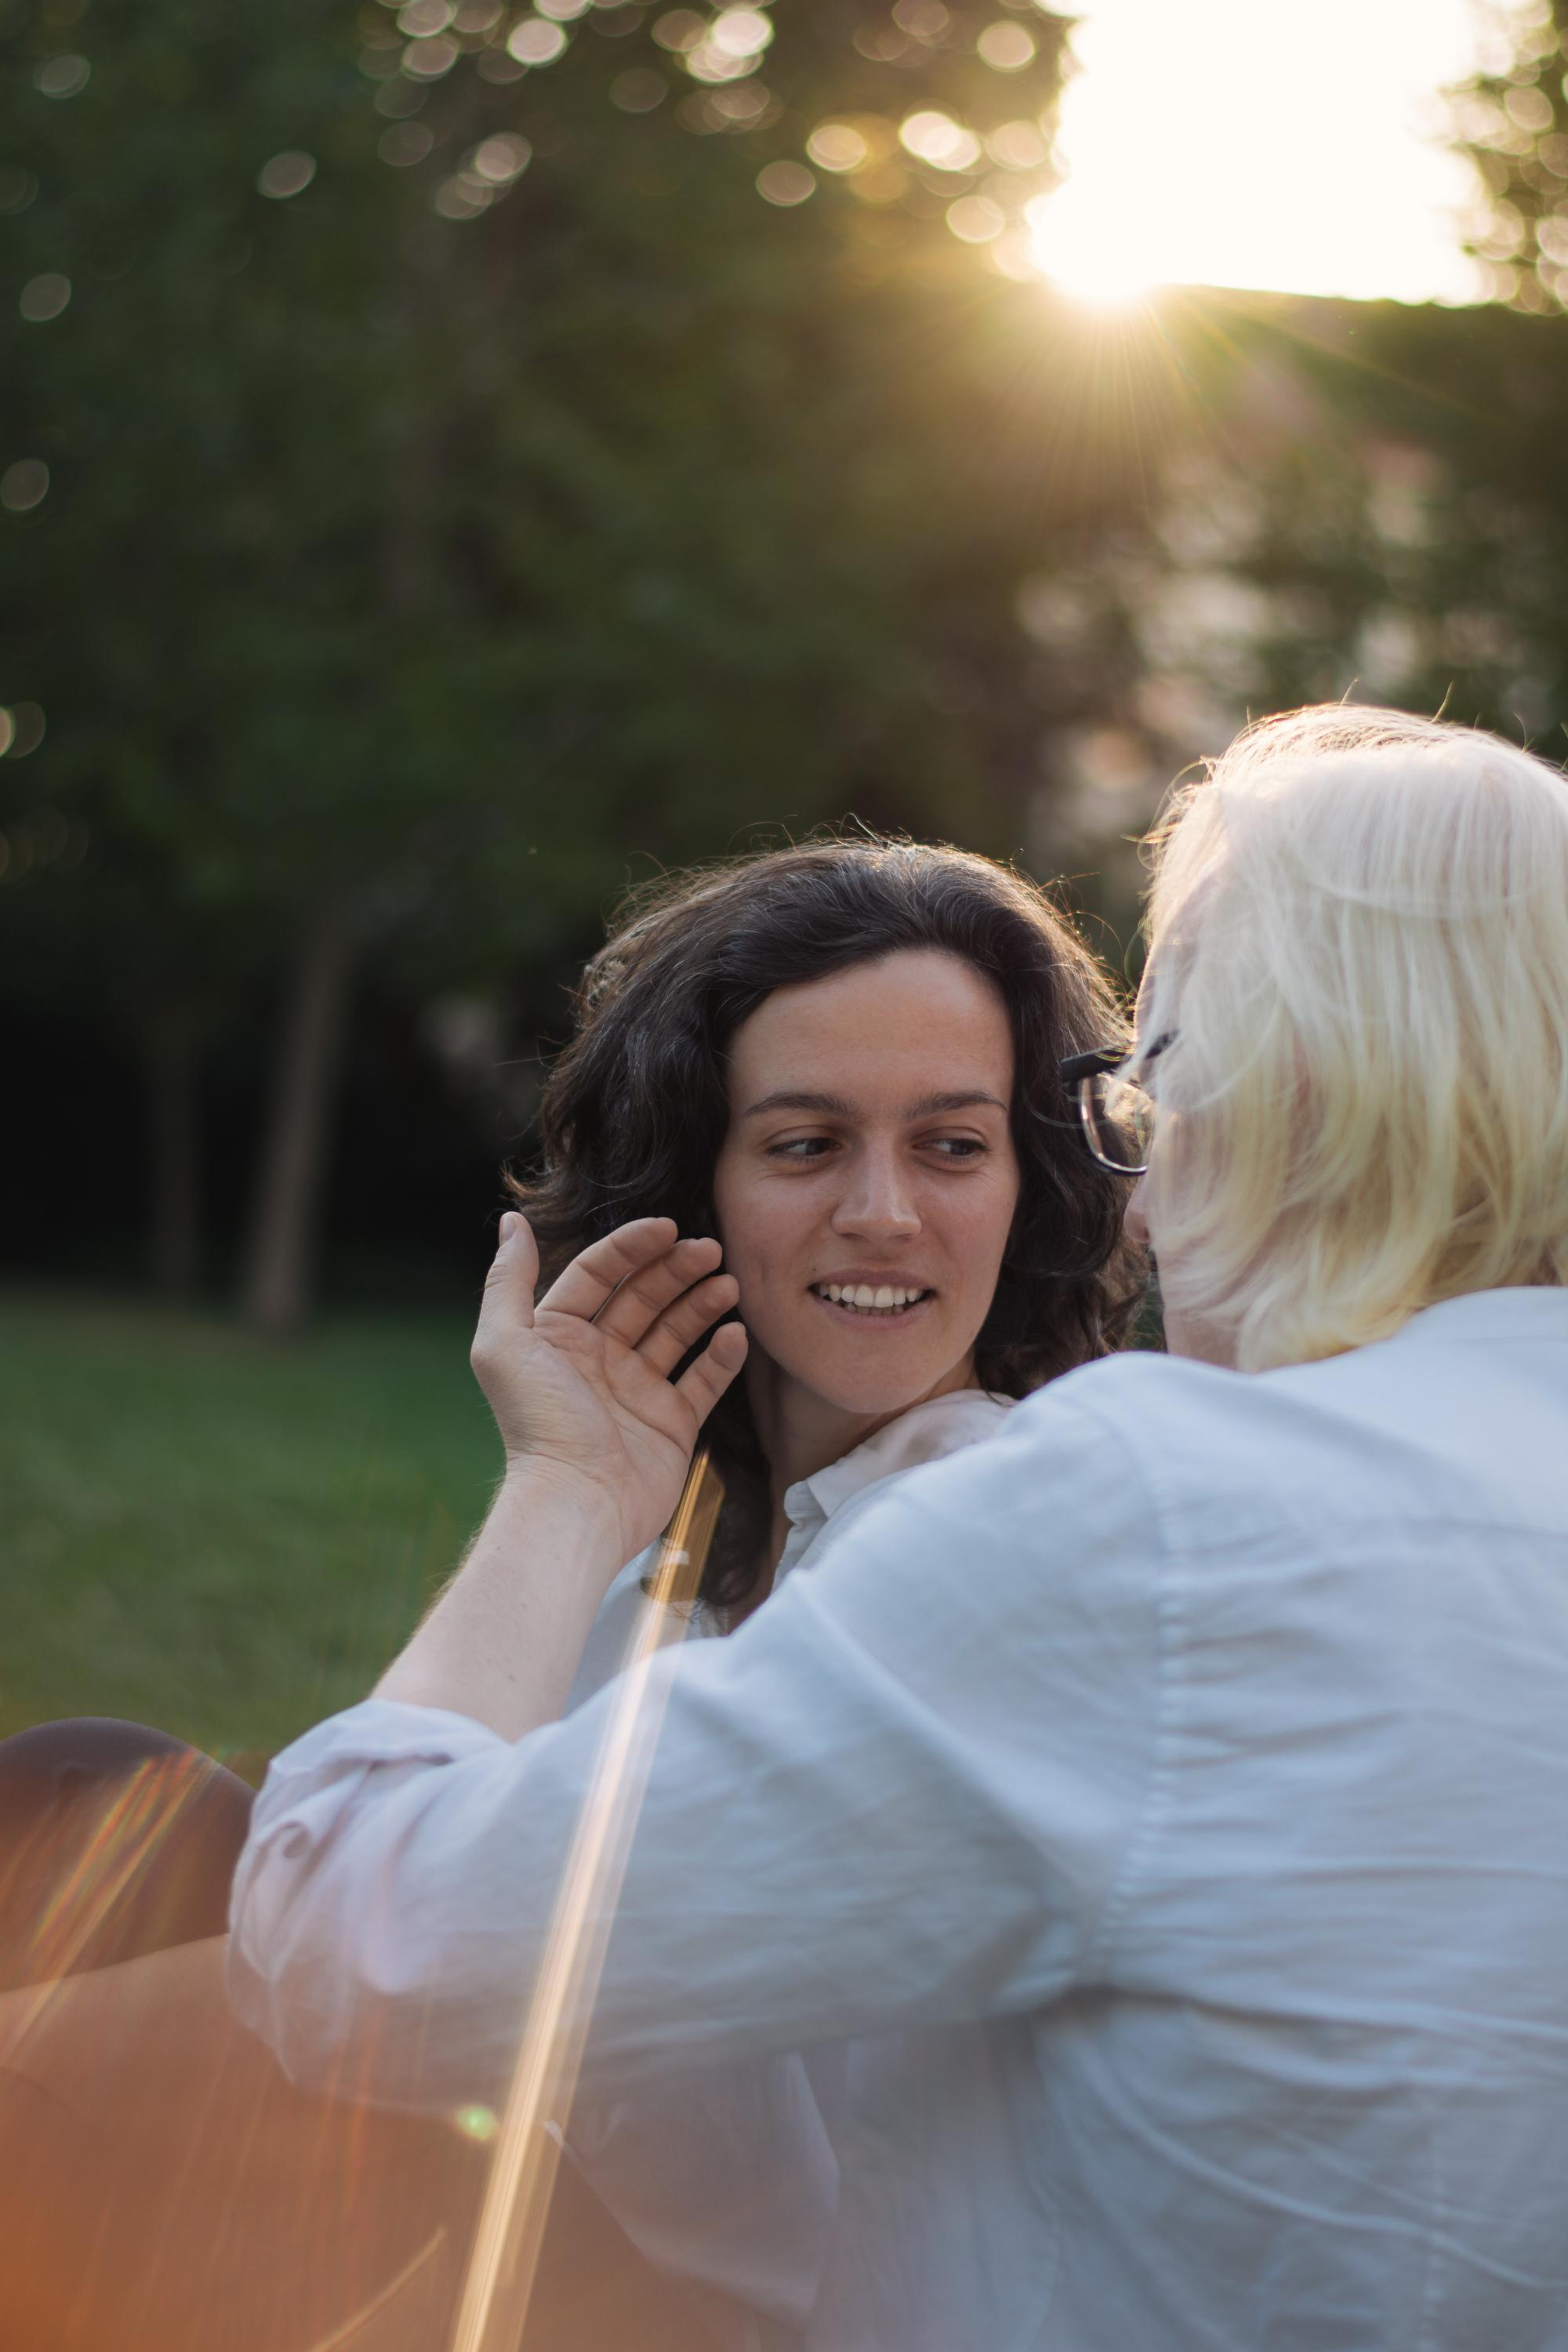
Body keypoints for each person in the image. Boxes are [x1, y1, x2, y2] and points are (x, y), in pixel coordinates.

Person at [3, 835, 1138, 2348]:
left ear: (1030, 1182)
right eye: (806, 1145)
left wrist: (561, 1491)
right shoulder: (681, 1548)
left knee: (112, 2067)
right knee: (81, 1794)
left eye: (951, 1146)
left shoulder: (997, 1535)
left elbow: (366, 1934)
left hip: (747, 2316)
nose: (884, 1211)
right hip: (541, 2179)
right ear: (694, 1181)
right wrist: (587, 1483)